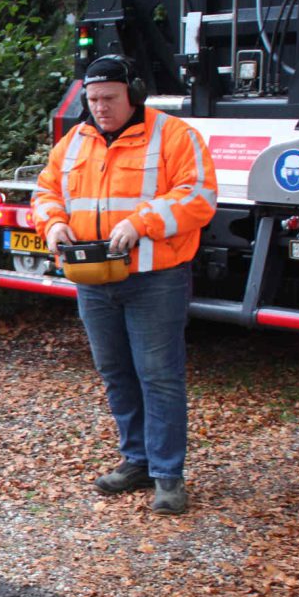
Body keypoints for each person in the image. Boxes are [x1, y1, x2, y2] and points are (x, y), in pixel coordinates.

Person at [32, 55, 217, 515]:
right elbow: (45, 192)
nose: (100, 108)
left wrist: (143, 222)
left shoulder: (175, 136)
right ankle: (136, 459)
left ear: (133, 93)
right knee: (116, 372)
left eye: (109, 98)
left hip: (156, 279)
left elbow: (199, 196)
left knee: (159, 376)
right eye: (93, 99)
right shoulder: (75, 141)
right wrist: (52, 225)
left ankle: (168, 475)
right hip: (93, 280)